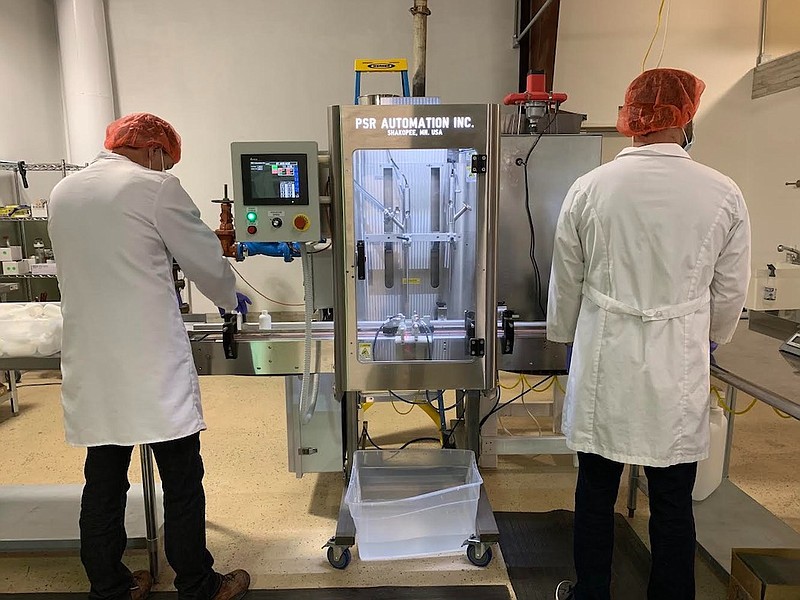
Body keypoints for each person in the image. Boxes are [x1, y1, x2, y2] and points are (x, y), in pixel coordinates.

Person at [547, 69, 751, 600]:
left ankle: (591, 590)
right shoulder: (723, 193)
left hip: (604, 356)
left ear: (629, 116)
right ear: (686, 117)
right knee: (672, 497)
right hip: (678, 359)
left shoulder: (590, 188)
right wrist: (710, 340)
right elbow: (730, 291)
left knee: (595, 491)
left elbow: (566, 278)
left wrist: (566, 338)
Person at [49, 113, 252, 600]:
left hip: (94, 361)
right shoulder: (155, 189)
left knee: (103, 479)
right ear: (155, 150)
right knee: (181, 480)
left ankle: (111, 585)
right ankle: (198, 584)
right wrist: (230, 297)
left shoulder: (63, 192)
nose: (165, 169)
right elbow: (204, 257)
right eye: (166, 161)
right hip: (150, 360)